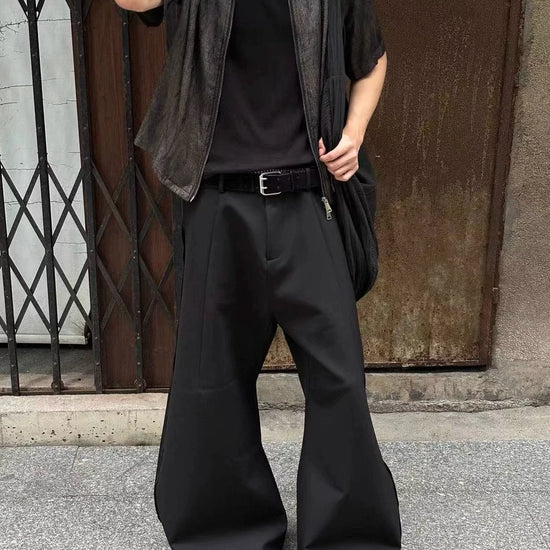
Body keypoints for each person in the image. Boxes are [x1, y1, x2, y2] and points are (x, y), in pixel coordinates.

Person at [115, 0, 401, 548]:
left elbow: (371, 59)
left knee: (338, 375)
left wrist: (354, 133)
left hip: (310, 201)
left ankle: (348, 534)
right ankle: (228, 533)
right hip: (220, 203)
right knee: (212, 378)